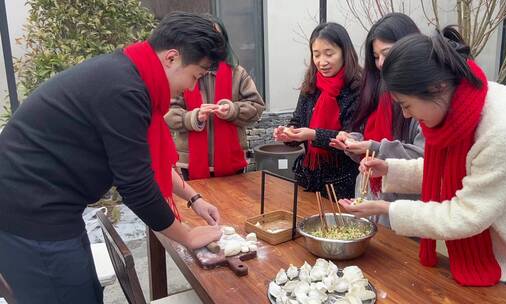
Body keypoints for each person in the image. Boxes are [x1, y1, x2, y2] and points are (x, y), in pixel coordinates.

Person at [0, 12, 227, 303]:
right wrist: (187, 236)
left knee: (86, 291)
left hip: (49, 207)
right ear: (171, 58)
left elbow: (141, 159)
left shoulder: (131, 73)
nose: (192, 87)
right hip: (30, 214)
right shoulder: (125, 89)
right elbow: (136, 187)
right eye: (195, 75)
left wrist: (194, 197)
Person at [339, 27, 506, 299]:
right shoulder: (462, 106)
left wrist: (389, 209)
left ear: (437, 87)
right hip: (497, 255)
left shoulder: (505, 130)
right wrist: (390, 168)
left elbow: (466, 214)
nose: (406, 115)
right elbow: (450, 171)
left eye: (406, 104)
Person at [329, 13, 424, 227]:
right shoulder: (376, 88)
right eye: (375, 56)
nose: (380, 63)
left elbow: (425, 161)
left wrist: (373, 147)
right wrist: (353, 142)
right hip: (369, 197)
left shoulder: (423, 96)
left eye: (387, 53)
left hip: (402, 210)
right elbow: (366, 134)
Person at [164, 15, 265, 180]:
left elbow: (256, 107)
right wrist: (193, 117)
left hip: (231, 158)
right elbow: (167, 111)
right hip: (189, 160)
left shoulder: (237, 73)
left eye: (216, 38)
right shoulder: (183, 72)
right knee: (195, 202)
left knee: (233, 202)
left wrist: (232, 110)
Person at [273, 22, 362, 199]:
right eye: (316, 54)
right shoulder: (312, 84)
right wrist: (289, 133)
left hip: (342, 184)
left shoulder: (357, 88)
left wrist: (313, 135)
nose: (322, 62)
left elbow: (352, 138)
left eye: (329, 54)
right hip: (309, 178)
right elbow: (298, 120)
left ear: (345, 52)